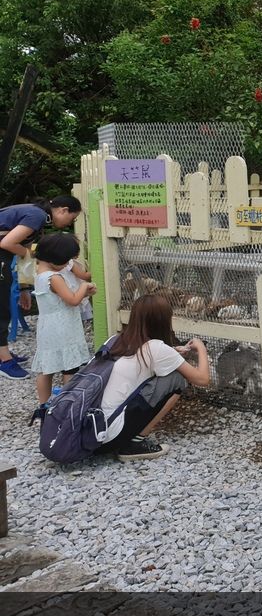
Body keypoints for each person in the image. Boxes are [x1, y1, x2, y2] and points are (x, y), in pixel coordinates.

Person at [96, 294, 210, 462]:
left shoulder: (116, 339)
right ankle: (134, 444)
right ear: (162, 321)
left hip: (94, 427)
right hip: (110, 435)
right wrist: (201, 348)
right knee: (177, 378)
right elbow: (202, 379)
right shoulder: (157, 348)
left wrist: (172, 351)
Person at [0, 196, 82, 379]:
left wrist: (24, 288)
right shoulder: (36, 215)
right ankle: (4, 360)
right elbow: (7, 244)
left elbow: (23, 261)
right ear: (63, 210)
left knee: (3, 304)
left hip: (3, 258)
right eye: (73, 218)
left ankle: (2, 352)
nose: (71, 222)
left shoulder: (38, 219)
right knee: (1, 308)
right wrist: (34, 255)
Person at [27, 234, 96, 424]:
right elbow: (72, 301)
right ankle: (67, 407)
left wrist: (81, 293)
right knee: (69, 367)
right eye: (65, 260)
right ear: (55, 259)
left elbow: (60, 300)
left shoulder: (40, 272)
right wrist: (85, 287)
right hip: (63, 327)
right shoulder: (55, 277)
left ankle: (44, 407)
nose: (68, 264)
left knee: (46, 368)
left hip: (47, 327)